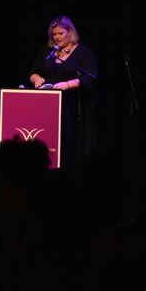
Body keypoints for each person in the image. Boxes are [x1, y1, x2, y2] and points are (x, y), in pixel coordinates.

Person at [28, 15, 98, 180]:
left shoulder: (82, 52)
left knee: (69, 142)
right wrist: (36, 78)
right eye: (54, 34)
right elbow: (33, 71)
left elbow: (91, 77)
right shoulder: (47, 52)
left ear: (70, 33)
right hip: (48, 105)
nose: (57, 37)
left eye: (61, 33)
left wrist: (67, 85)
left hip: (73, 105)